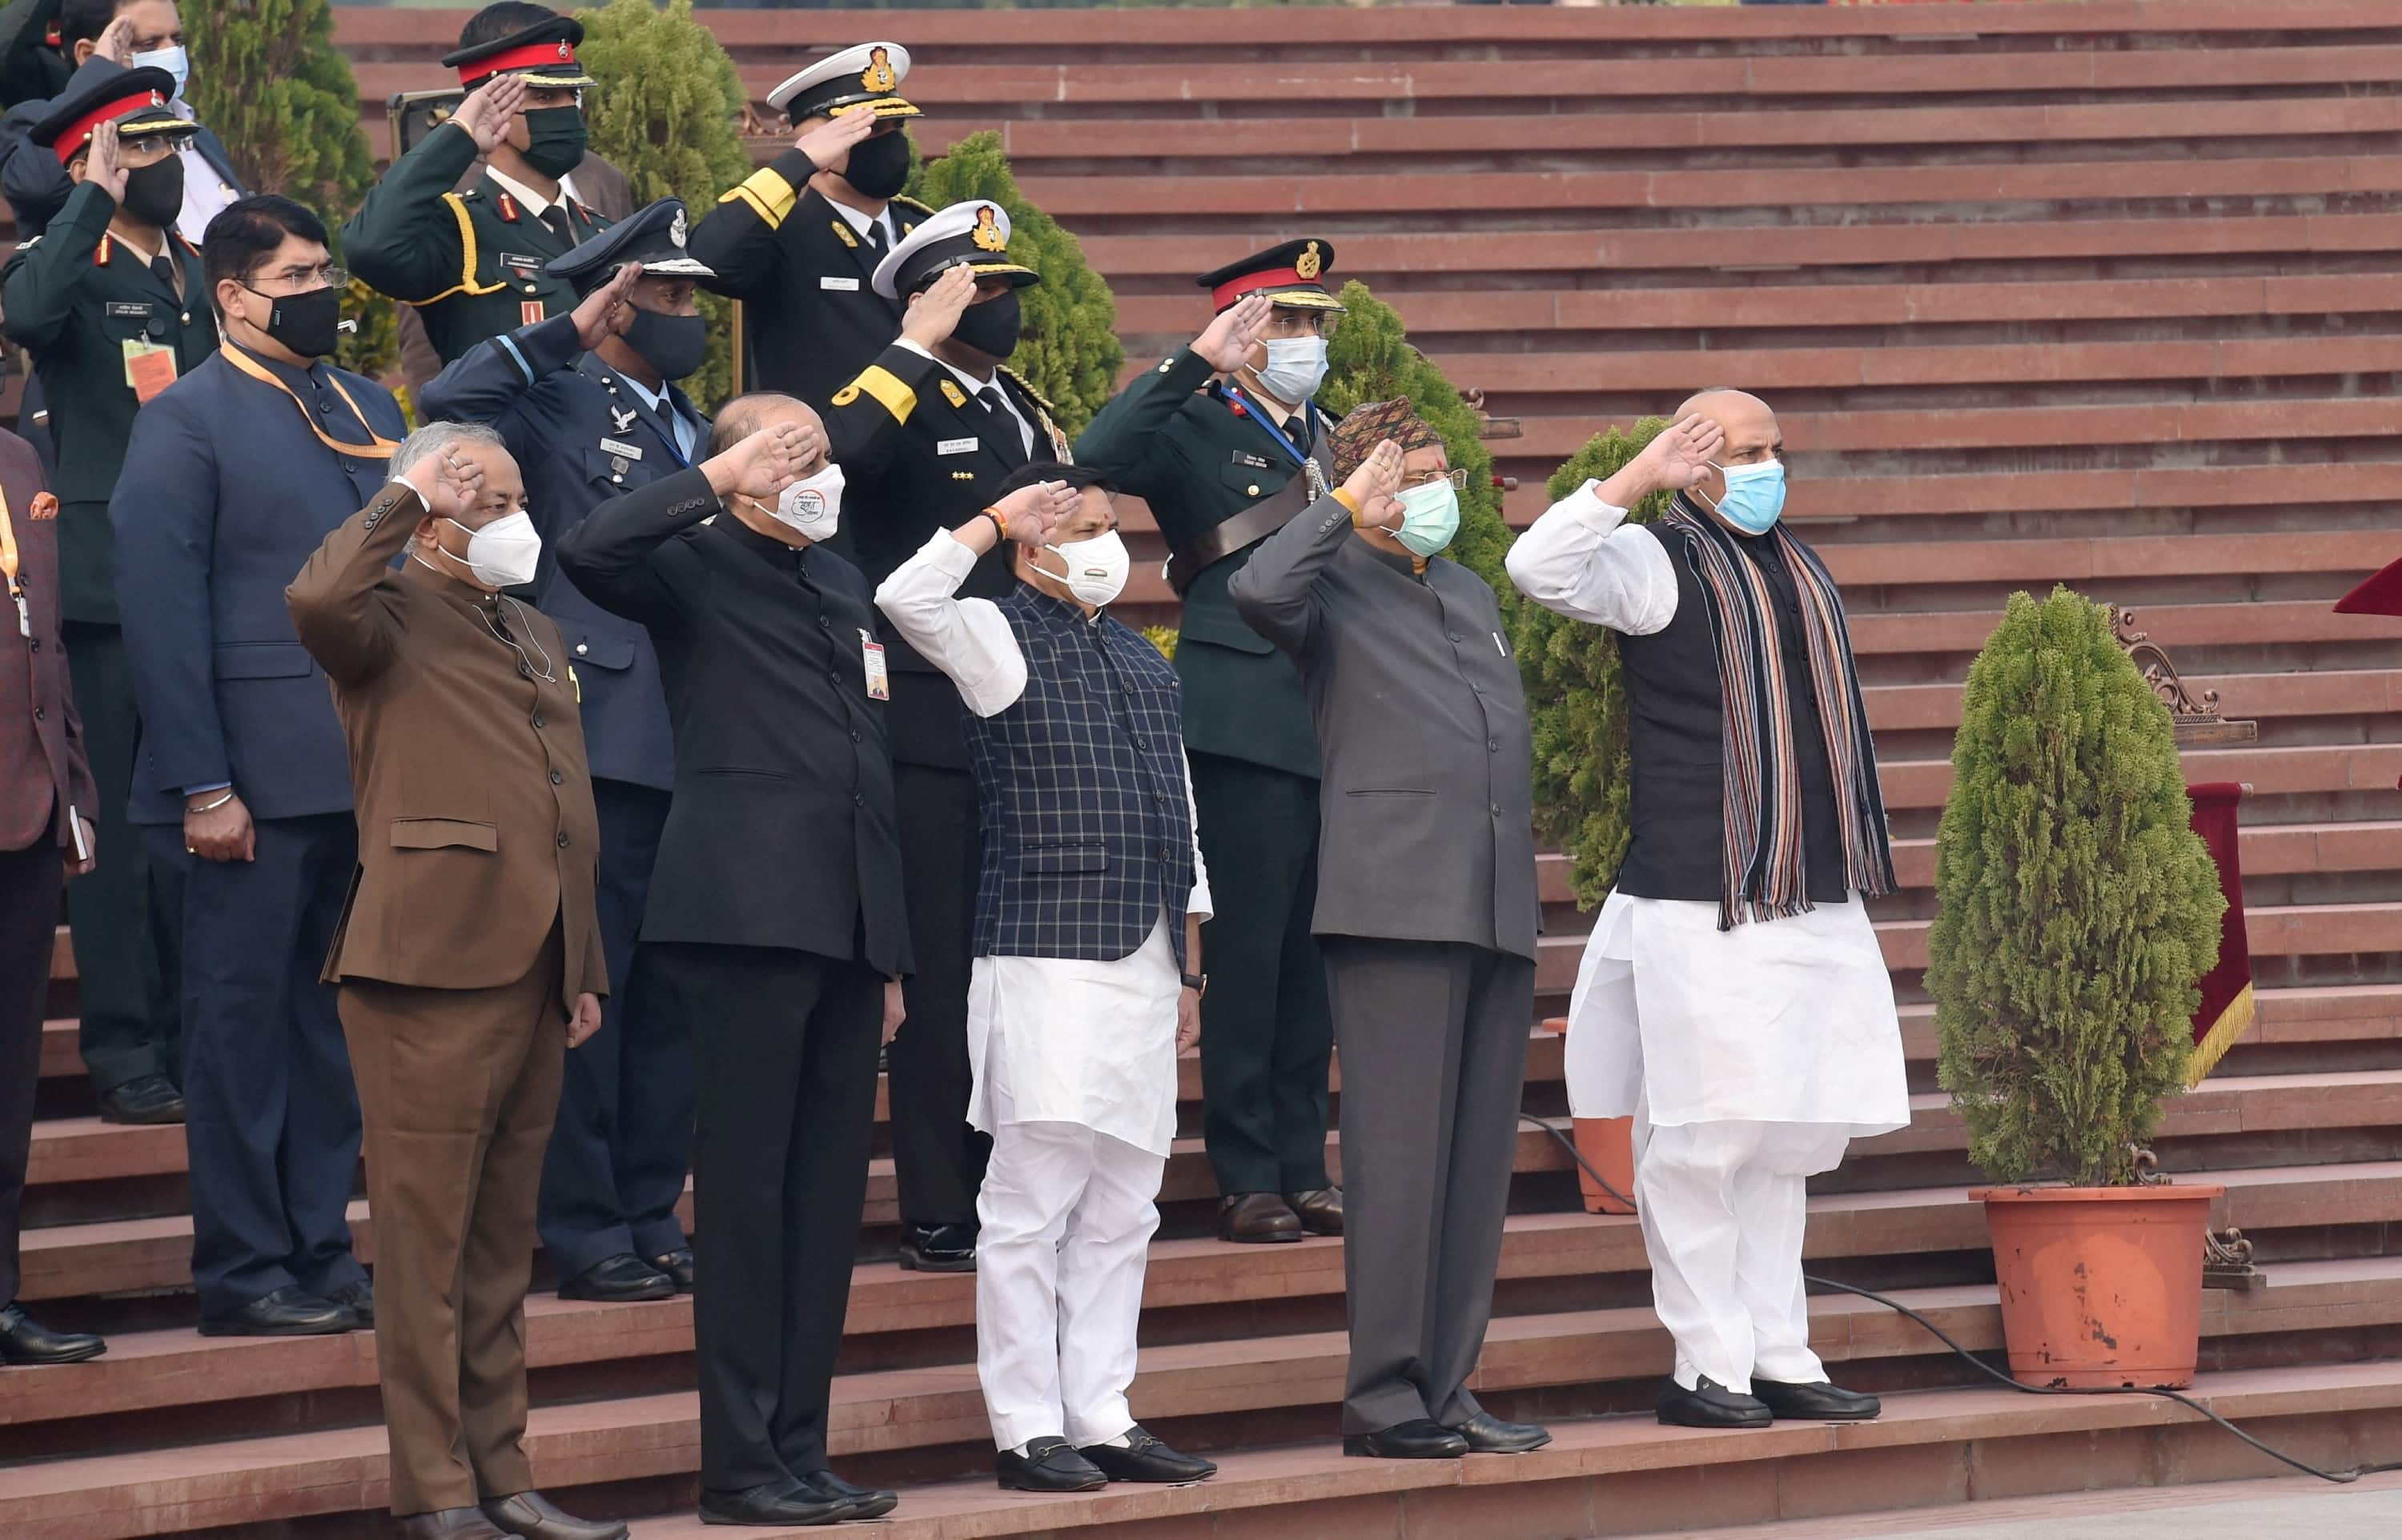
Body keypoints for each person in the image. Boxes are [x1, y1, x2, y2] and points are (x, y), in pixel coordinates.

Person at [1505, 391, 1909, 1430]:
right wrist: (1634, 481)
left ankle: (1780, 1352)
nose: (1771, 465)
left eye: (1777, 445)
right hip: (1699, 899)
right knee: (1700, 1139)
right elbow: (1537, 568)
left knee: (1784, 1137)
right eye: (1745, 451)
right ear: (1694, 464)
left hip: (1813, 891)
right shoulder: (1654, 562)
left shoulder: (1802, 566)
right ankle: (1705, 1365)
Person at [555, 398, 906, 1528]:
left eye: (820, 451)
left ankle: (802, 1448)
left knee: (824, 1205)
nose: (817, 469)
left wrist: (889, 948)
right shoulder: (694, 563)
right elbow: (588, 550)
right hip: (746, 920)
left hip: (850, 928)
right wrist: (719, 477)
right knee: (750, 1202)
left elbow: (869, 766)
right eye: (788, 451)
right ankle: (741, 1466)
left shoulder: (841, 581)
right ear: (738, 462)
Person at [287, 423, 622, 1540]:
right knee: (426, 1249)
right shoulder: (382, 613)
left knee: (497, 1246)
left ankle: (503, 1474)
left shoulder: (526, 624)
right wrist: (404, 492)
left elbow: (566, 813)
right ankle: (435, 1492)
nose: (511, 518)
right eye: (486, 499)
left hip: (536, 965)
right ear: (429, 511)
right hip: (426, 964)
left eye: (518, 497)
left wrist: (581, 962)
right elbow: (316, 596)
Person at [876, 460, 1221, 1494]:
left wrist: (1192, 966)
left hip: (1149, 957)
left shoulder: (1144, 660)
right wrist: (989, 521)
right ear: (1036, 539)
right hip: (1043, 950)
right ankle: (1028, 1425)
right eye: (1087, 525)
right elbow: (904, 598)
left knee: (1127, 1201)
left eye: (1120, 525)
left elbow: (1182, 816)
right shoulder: (993, 632)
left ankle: (1103, 1413)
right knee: (1032, 1200)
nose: (1112, 543)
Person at [1229, 400, 1548, 1462]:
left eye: (1442, 468)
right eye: (1410, 474)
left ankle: (1450, 1386)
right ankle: (1383, 1401)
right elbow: (1253, 587)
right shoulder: (1323, 585)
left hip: (1493, 904)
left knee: (1469, 1169)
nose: (1435, 489)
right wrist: (1342, 504)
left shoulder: (1461, 587)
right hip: (1395, 904)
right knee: (1400, 1162)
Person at [417, 199, 710, 1305]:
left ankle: (648, 1208)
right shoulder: (554, 400)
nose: (690, 317)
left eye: (692, 297)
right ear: (618, 299)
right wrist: (561, 333)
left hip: (699, 733)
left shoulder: (694, 417)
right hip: (603, 730)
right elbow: (449, 405)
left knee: (671, 1000)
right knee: (595, 989)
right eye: (670, 297)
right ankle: (585, 1228)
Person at [111, 194, 394, 1336]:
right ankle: (244, 1269)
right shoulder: (185, 418)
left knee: (330, 1034)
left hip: (364, 776)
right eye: (295, 276)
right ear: (231, 297)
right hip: (248, 791)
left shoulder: (366, 406)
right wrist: (203, 784)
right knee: (237, 1038)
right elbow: (160, 614)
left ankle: (320, 1245)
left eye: (325, 268)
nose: (319, 290)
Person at [1075, 242, 1348, 1245]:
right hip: (1241, 710)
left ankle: (1303, 1159)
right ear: (1241, 332)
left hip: (1328, 707)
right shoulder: (1195, 417)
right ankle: (1247, 1173)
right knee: (1249, 951)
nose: (1304, 342)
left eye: (1316, 324)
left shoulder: (1322, 434)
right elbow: (1099, 454)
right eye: (1285, 323)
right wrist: (1193, 361)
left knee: (1311, 957)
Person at [821, 199, 1068, 1273]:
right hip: (924, 710)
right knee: (940, 976)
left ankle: (1012, 1179)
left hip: (1023, 707)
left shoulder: (1025, 406)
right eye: (982, 291)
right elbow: (836, 473)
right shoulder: (896, 395)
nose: (1002, 309)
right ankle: (939, 1199)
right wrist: (913, 342)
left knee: (1018, 968)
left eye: (1009, 289)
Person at [2, 61, 215, 1126]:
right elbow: (21, 314)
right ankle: (127, 1046)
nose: (167, 164)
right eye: (145, 146)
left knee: (198, 822)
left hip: (204, 583)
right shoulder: (71, 263)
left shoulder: (197, 265)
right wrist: (85, 189)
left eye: (174, 144)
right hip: (106, 584)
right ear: (99, 154)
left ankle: (191, 1031)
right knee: (123, 837)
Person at [0, 425, 106, 1368]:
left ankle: (1, 1299)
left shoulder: (22, 458)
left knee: (10, 1081)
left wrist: (72, 785)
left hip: (27, 813)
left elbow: (47, 642)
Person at [343, 6, 608, 369]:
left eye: (571, 95)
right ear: (489, 105)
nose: (567, 111)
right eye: (545, 98)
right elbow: (370, 246)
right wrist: (460, 136)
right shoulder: (458, 231)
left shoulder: (604, 231)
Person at [687, 39, 931, 411]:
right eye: (867, 128)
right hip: (817, 452)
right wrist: (798, 163)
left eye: (894, 126)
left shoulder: (923, 230)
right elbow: (708, 260)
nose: (890, 141)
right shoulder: (780, 231)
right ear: (817, 141)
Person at [56, 2, 244, 243]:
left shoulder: (198, 134)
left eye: (176, 39)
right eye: (149, 44)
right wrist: (98, 72)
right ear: (88, 55)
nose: (172, 52)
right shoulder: (65, 138)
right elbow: (39, 185)